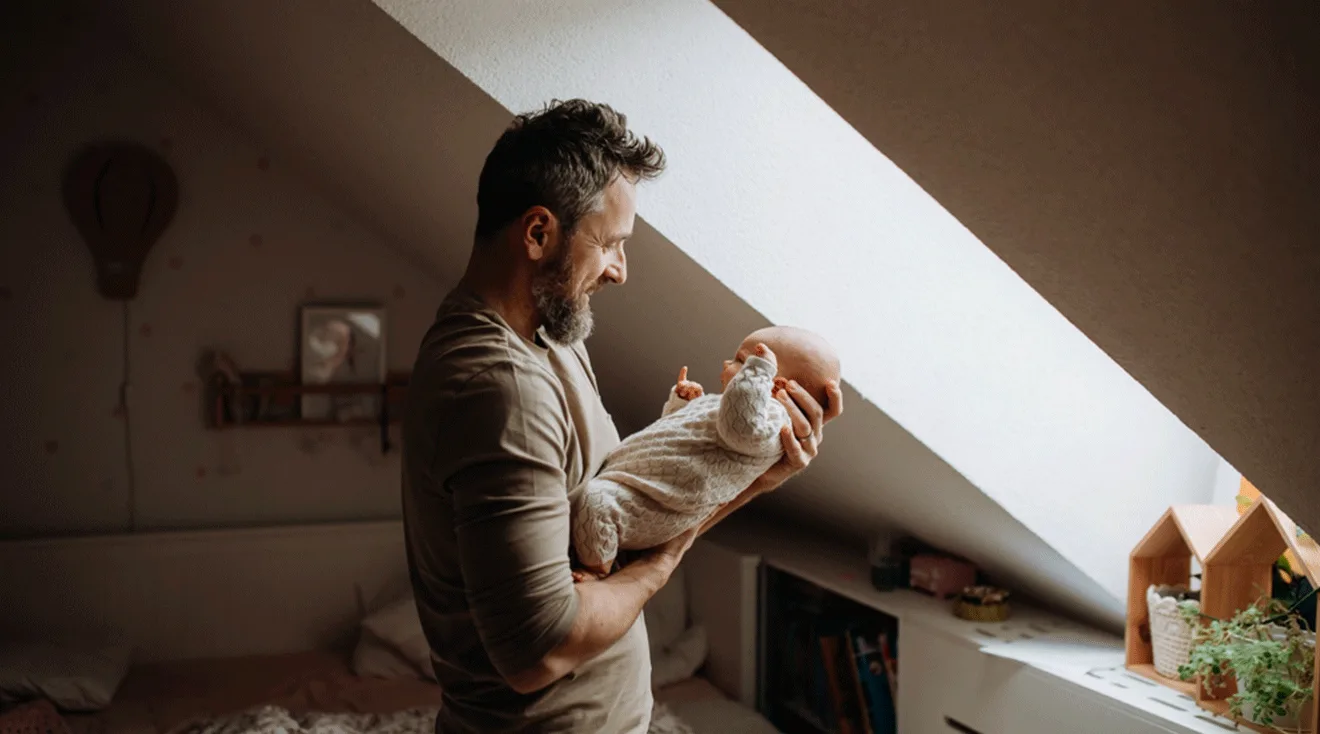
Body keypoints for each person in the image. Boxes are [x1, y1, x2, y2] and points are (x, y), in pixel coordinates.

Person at [401, 99, 843, 734]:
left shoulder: (548, 333)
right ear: (536, 233)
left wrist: (753, 474)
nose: (621, 270)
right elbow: (539, 650)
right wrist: (664, 564)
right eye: (609, 244)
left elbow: (628, 499)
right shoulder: (498, 386)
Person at [571, 326, 841, 577]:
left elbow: (739, 429)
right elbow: (678, 438)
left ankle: (597, 568)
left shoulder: (770, 421)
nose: (726, 364)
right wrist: (683, 404)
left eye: (741, 360)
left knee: (597, 505)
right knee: (598, 502)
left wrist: (757, 370)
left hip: (651, 503)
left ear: (774, 384)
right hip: (638, 481)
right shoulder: (727, 408)